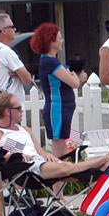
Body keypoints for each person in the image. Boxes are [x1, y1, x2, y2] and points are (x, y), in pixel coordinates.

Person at [0, 92, 109, 216]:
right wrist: (10, 157)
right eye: (18, 108)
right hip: (24, 169)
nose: (22, 111)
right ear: (8, 111)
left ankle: (100, 170)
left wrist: (47, 156)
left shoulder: (25, 129)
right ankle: (104, 159)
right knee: (67, 168)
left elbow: (40, 152)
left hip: (40, 164)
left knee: (86, 173)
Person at [29, 23, 87, 158]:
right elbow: (73, 82)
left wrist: (75, 77)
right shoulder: (50, 62)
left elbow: (69, 80)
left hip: (63, 109)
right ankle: (58, 179)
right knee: (59, 153)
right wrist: (74, 76)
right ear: (51, 41)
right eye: (59, 38)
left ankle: (62, 178)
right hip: (57, 109)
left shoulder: (53, 62)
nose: (62, 40)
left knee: (64, 151)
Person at [0, 13, 33, 116]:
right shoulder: (7, 52)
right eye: (11, 27)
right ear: (3, 31)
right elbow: (27, 79)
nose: (15, 29)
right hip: (10, 110)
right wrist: (20, 75)